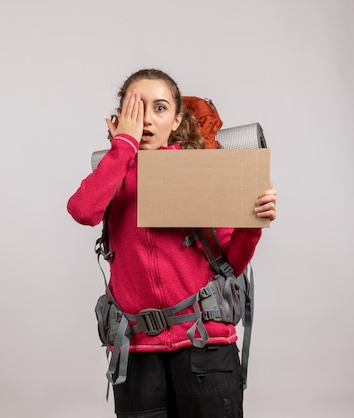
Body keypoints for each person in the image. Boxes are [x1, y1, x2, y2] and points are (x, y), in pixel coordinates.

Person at [67, 68, 277, 418]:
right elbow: (82, 210)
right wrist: (124, 146)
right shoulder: (111, 172)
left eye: (160, 108)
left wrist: (252, 225)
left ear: (178, 119)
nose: (147, 118)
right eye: (137, 107)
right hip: (135, 351)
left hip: (204, 345)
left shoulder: (203, 170)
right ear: (120, 117)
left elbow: (232, 263)